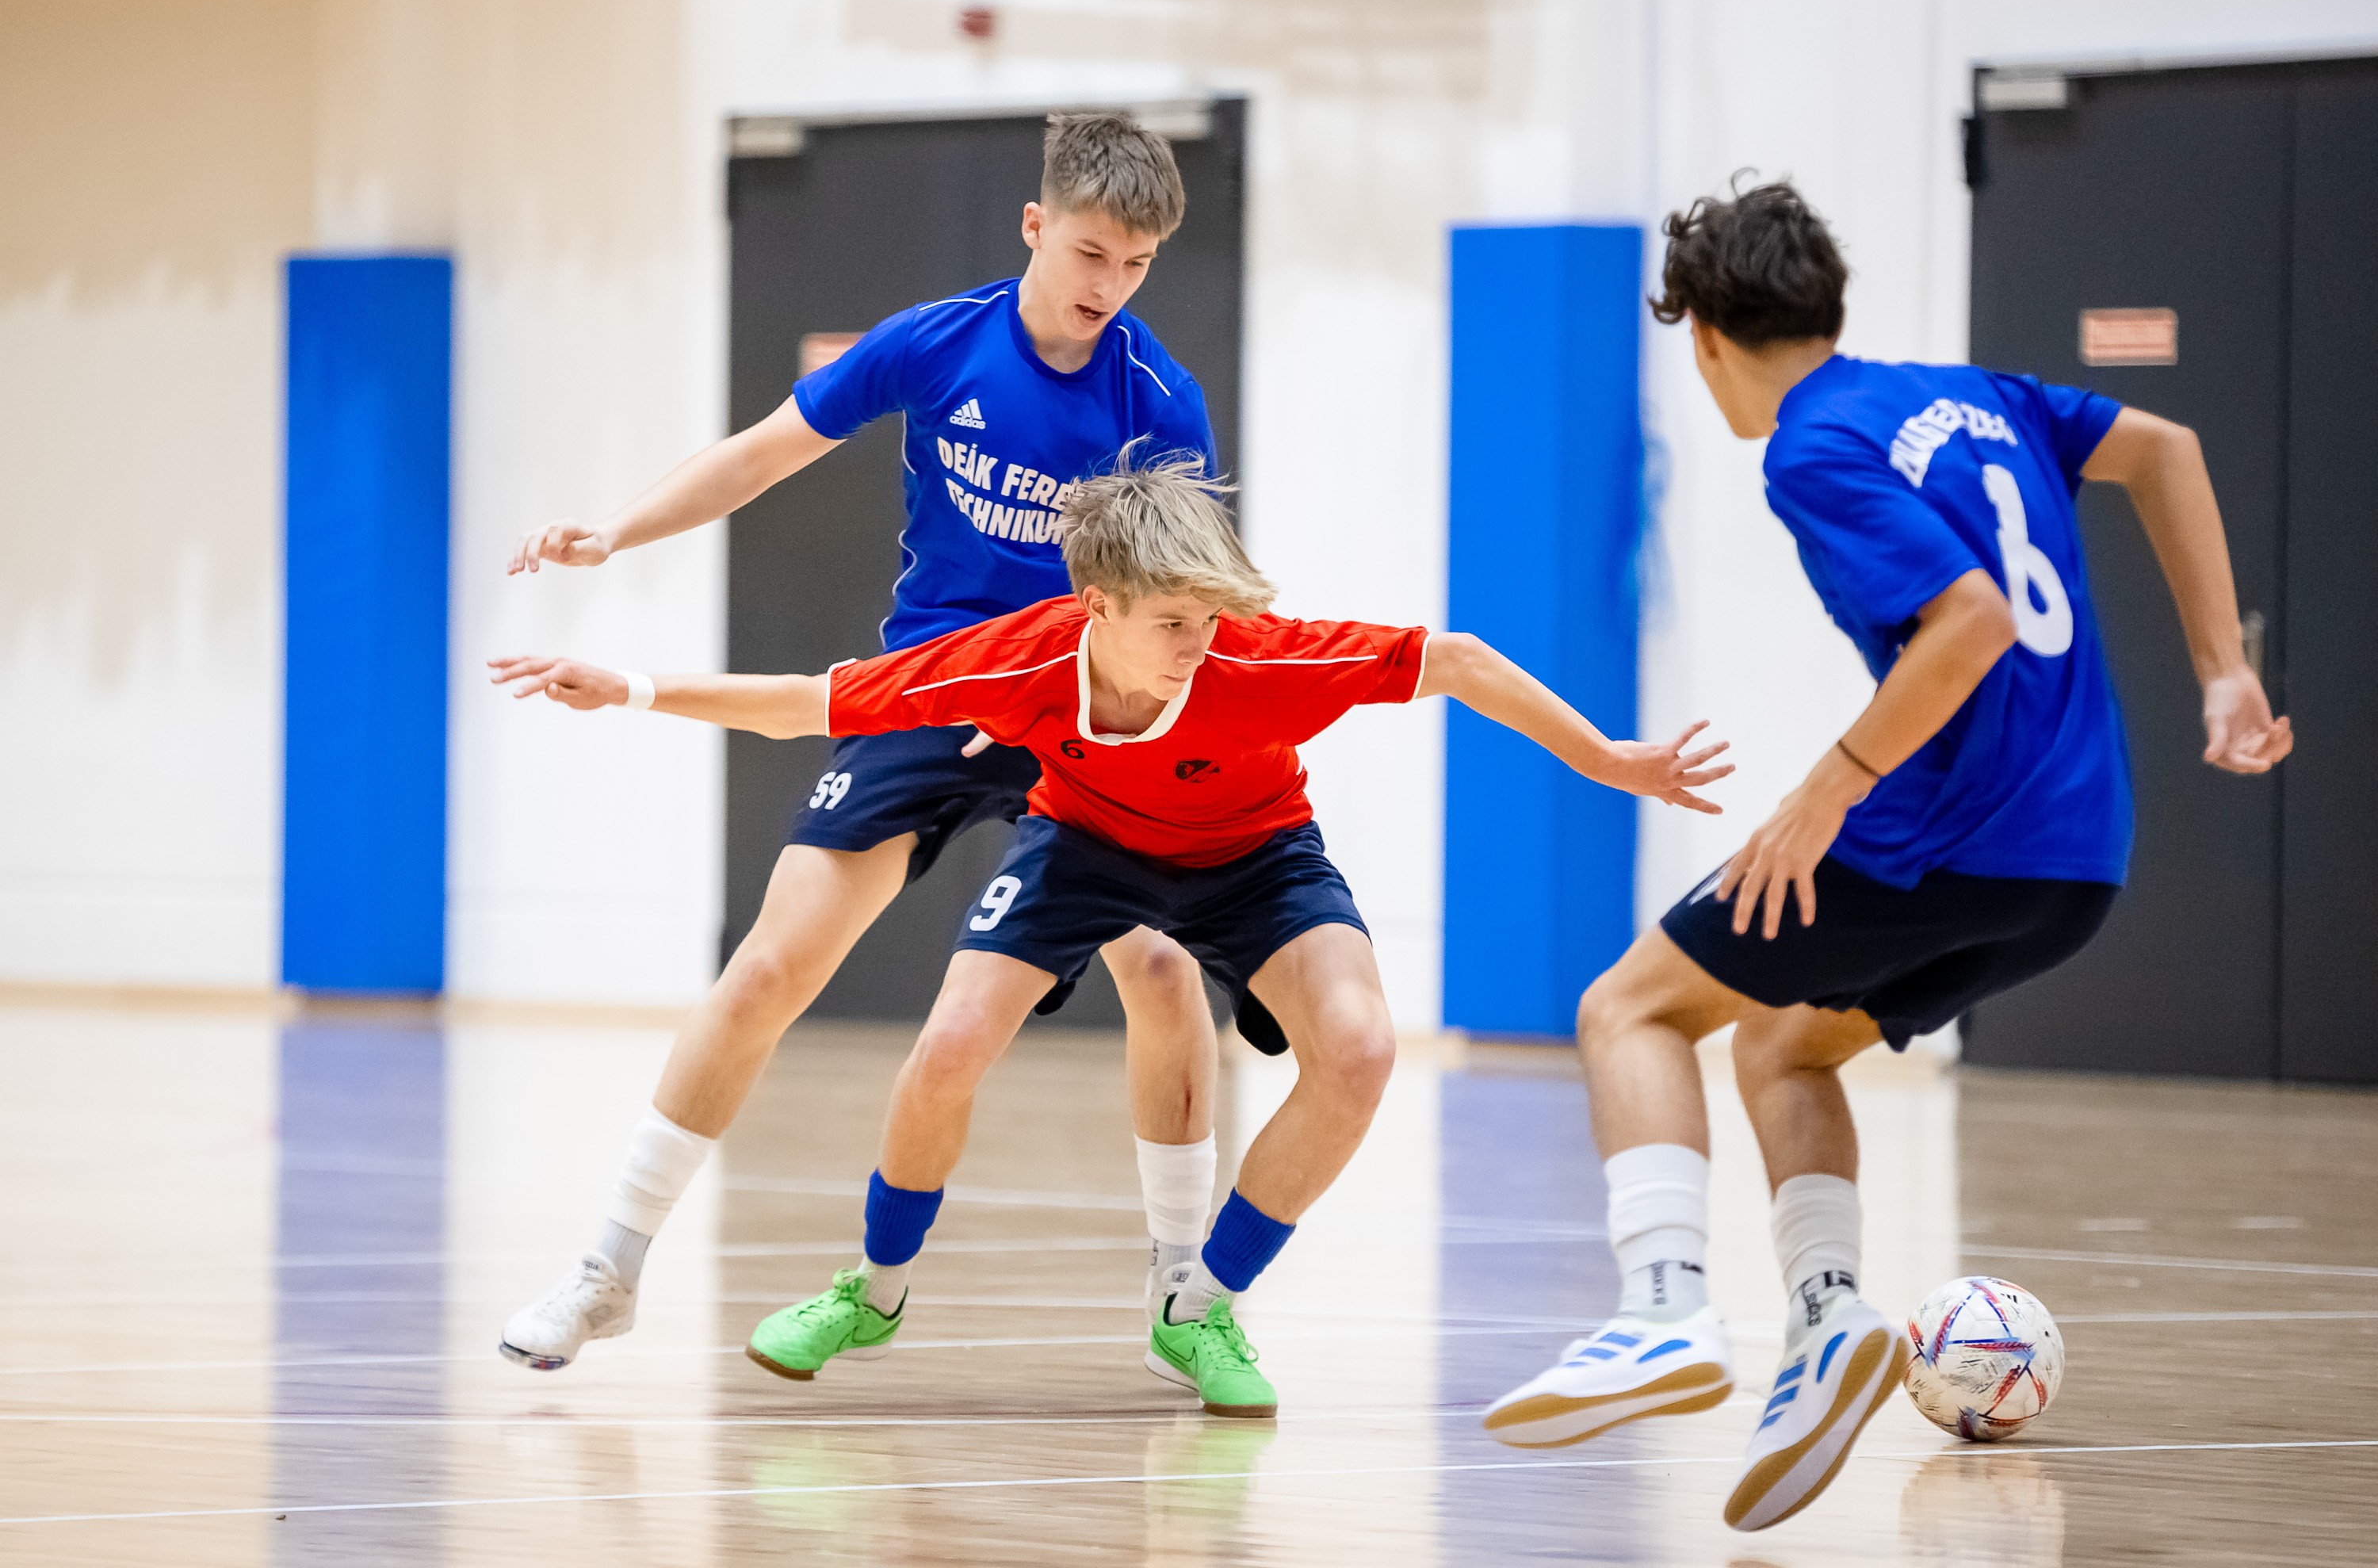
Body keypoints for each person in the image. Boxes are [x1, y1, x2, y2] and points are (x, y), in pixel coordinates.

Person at [491, 454, 1733, 1414]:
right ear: (1097, 607)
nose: (1201, 641)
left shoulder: (1258, 658)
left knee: (1358, 1050)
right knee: (948, 1048)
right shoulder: (1021, 660)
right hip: (1086, 848)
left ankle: (1202, 1306)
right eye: (1174, 621)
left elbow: (1455, 660)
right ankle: (873, 1293)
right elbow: (811, 704)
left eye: (1211, 616)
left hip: (1256, 855)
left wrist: (1609, 759)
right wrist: (633, 689)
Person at [1481, 180, 2293, 1532]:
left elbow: (1969, 621)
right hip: (2078, 859)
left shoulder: (1812, 447)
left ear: (1706, 340)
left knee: (1629, 1008)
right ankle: (1826, 1322)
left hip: (1947, 834)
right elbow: (2170, 448)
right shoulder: (1980, 397)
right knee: (1782, 1042)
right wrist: (2224, 669)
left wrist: (1829, 788)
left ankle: (1665, 1309)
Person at [496, 113, 1235, 1375]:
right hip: (929, 688)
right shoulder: (938, 343)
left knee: (1164, 971)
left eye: (1137, 264)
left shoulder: (1160, 403)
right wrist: (615, 532)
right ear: (1036, 226)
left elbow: (1187, 602)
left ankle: (1185, 1291)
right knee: (769, 968)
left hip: (1073, 707)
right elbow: (761, 457)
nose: (1109, 285)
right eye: (1091, 253)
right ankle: (608, 1270)